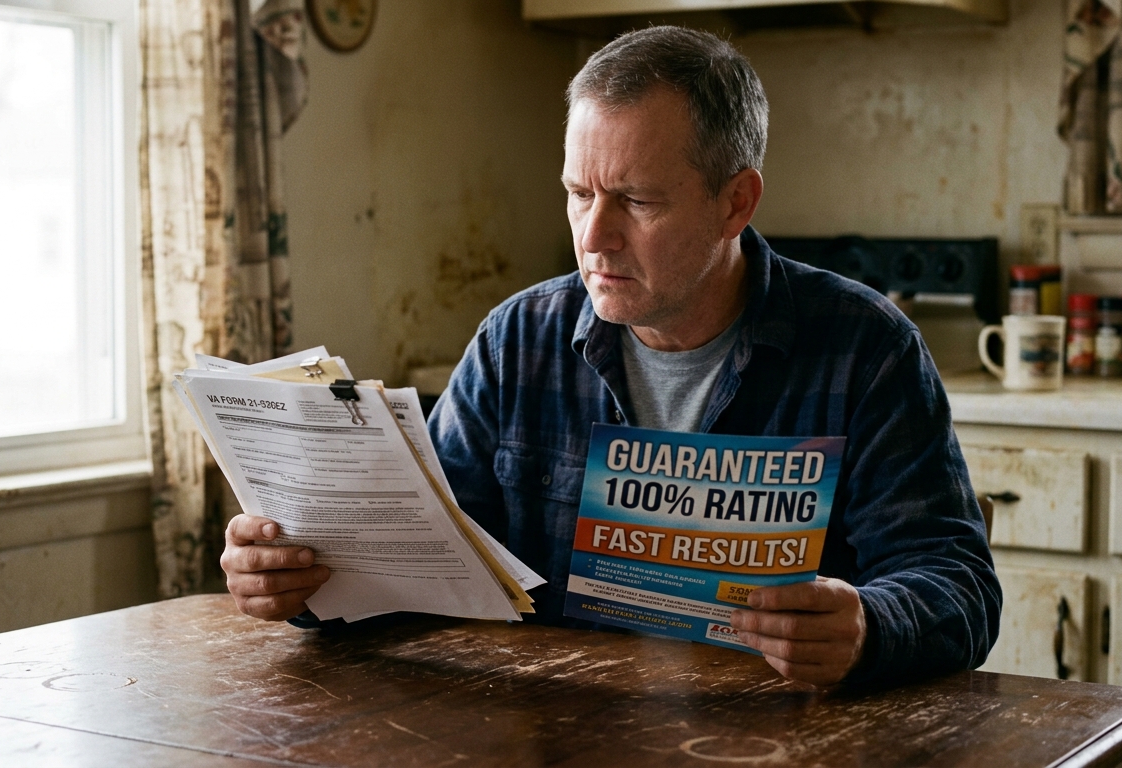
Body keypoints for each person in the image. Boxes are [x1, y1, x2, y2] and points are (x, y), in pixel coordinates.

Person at [220, 25, 1001, 688]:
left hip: (777, 739)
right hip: (555, 733)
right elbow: (432, 568)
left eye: (637, 200)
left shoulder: (865, 348)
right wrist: (306, 583)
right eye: (578, 193)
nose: (594, 237)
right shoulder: (517, 342)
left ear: (736, 201)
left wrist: (867, 627)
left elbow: (958, 584)